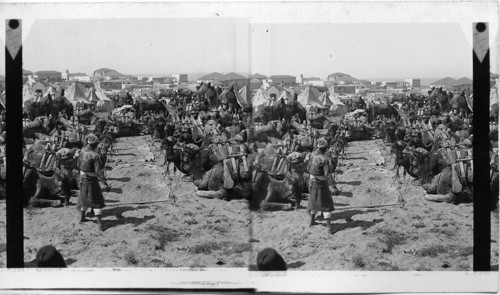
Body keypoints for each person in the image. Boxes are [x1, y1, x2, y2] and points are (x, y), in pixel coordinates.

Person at [77, 134, 106, 231]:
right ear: (96, 144)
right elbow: (98, 171)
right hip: (91, 179)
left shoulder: (82, 151)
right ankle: (100, 224)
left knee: (84, 198)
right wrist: (104, 183)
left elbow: (78, 164)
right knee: (97, 200)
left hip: (82, 177)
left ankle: (82, 218)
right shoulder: (95, 155)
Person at [307, 138, 336, 234]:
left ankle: (312, 221)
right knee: (326, 204)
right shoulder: (324, 160)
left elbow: (308, 168)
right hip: (321, 183)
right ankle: (329, 228)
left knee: (314, 201)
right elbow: (327, 174)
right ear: (326, 148)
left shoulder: (311, 155)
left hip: (312, 181)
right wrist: (333, 185)